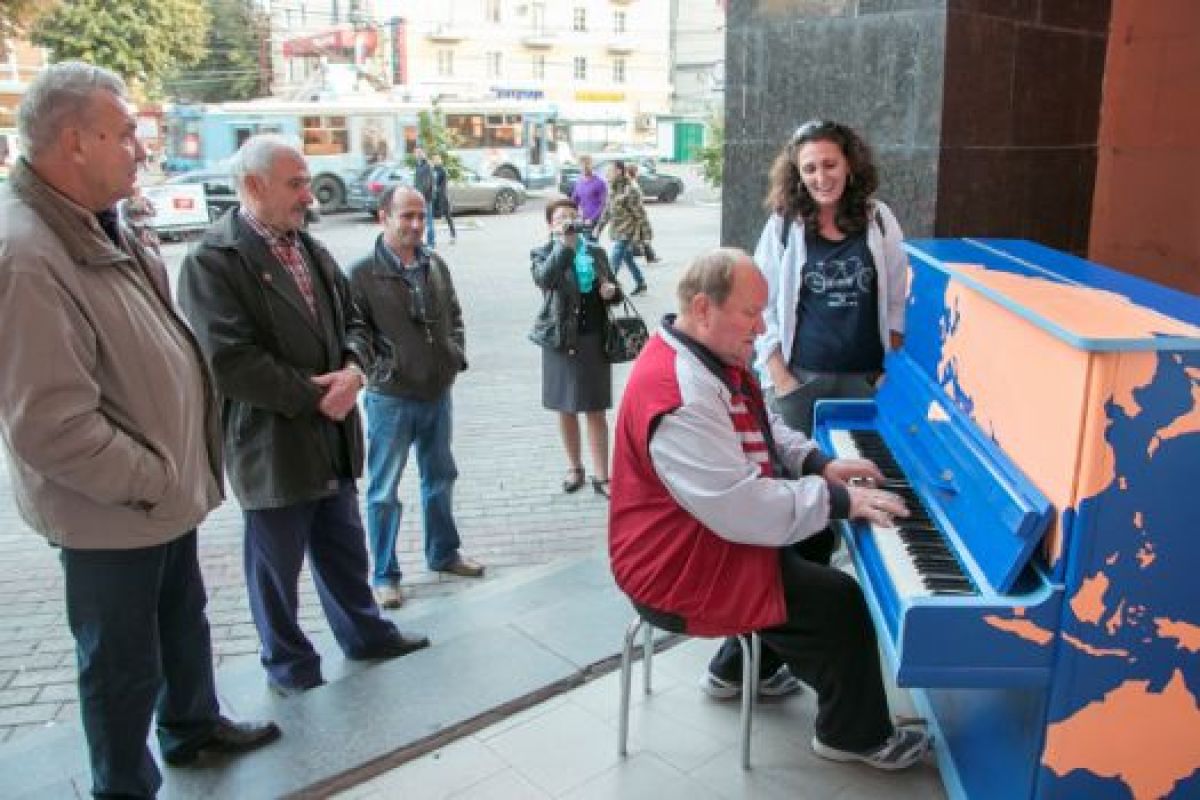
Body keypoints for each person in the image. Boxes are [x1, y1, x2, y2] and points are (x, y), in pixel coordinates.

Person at [0, 61, 279, 798]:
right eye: (125, 133)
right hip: (112, 510)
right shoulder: (27, 253)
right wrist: (155, 480)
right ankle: (123, 786)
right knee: (120, 666)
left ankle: (190, 725)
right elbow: (50, 427)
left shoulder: (99, 215)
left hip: (154, 500)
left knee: (180, 620)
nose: (141, 149)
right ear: (73, 142)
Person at [609, 248, 932, 771]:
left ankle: (737, 672)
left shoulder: (703, 353)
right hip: (672, 564)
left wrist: (818, 463)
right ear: (702, 308)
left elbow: (763, 425)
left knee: (814, 539)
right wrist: (843, 500)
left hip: (697, 534)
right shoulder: (682, 392)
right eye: (750, 312)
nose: (762, 328)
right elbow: (739, 507)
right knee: (839, 601)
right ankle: (853, 735)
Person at [177, 134, 429, 698]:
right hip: (272, 443)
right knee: (275, 568)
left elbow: (357, 322)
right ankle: (289, 665)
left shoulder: (309, 247)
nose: (308, 195)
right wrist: (314, 395)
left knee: (344, 546)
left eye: (307, 181)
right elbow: (228, 360)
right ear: (252, 186)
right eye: (295, 184)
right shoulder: (212, 260)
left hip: (332, 433)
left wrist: (355, 371)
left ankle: (365, 634)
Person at [348, 186, 484, 610]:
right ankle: (384, 574)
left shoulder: (434, 264)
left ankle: (443, 553)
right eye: (406, 216)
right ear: (383, 217)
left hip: (436, 391)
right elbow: (355, 333)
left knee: (440, 477)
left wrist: (454, 356)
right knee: (384, 490)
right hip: (390, 398)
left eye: (421, 217)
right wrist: (380, 370)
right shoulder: (362, 273)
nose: (415, 225)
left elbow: (454, 316)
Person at [755, 120, 909, 436]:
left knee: (864, 477)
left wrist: (887, 372)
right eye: (809, 169)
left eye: (830, 165)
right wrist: (781, 378)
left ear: (849, 165)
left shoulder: (878, 219)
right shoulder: (783, 225)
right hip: (799, 383)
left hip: (867, 382)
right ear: (797, 174)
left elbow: (898, 300)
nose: (821, 177)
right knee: (796, 477)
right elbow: (760, 304)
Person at [529, 199, 622, 498]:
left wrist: (611, 292)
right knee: (565, 406)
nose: (568, 221)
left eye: (572, 215)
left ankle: (602, 476)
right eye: (560, 218)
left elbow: (616, 292)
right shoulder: (543, 252)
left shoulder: (596, 252)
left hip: (594, 337)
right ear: (550, 225)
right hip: (559, 339)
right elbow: (545, 279)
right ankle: (574, 467)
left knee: (595, 407)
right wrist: (564, 247)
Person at [595, 160, 648, 296]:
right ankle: (641, 283)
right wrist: (598, 228)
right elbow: (607, 210)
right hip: (617, 230)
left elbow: (640, 214)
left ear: (619, 171)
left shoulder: (631, 189)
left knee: (615, 259)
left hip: (628, 230)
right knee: (627, 258)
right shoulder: (612, 188)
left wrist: (643, 236)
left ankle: (607, 288)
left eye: (610, 171)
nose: (607, 174)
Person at [624, 162, 661, 264]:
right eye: (637, 171)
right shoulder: (631, 184)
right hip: (635, 215)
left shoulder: (632, 182)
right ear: (634, 172)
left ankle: (650, 256)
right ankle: (623, 256)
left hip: (637, 214)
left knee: (642, 236)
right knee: (632, 237)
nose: (638, 173)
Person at [569, 154, 607, 238]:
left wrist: (593, 219)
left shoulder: (600, 183)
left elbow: (603, 204)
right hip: (582, 219)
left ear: (592, 165)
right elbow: (574, 200)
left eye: (587, 164)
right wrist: (569, 212)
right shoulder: (579, 182)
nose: (584, 167)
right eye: (582, 165)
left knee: (589, 243)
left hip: (594, 220)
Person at [411, 146, 436, 247]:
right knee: (420, 220)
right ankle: (420, 242)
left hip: (426, 198)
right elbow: (417, 182)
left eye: (419, 152)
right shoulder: (418, 165)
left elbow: (427, 184)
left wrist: (419, 195)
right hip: (419, 197)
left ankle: (431, 243)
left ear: (422, 153)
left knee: (429, 221)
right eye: (415, 152)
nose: (417, 154)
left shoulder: (427, 166)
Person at [430, 153, 457, 245]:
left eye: (437, 159)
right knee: (431, 219)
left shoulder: (443, 171)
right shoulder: (432, 170)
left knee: (448, 217)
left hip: (442, 198)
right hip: (434, 198)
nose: (435, 161)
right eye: (434, 159)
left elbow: (443, 186)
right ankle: (433, 239)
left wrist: (438, 191)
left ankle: (453, 235)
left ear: (440, 160)